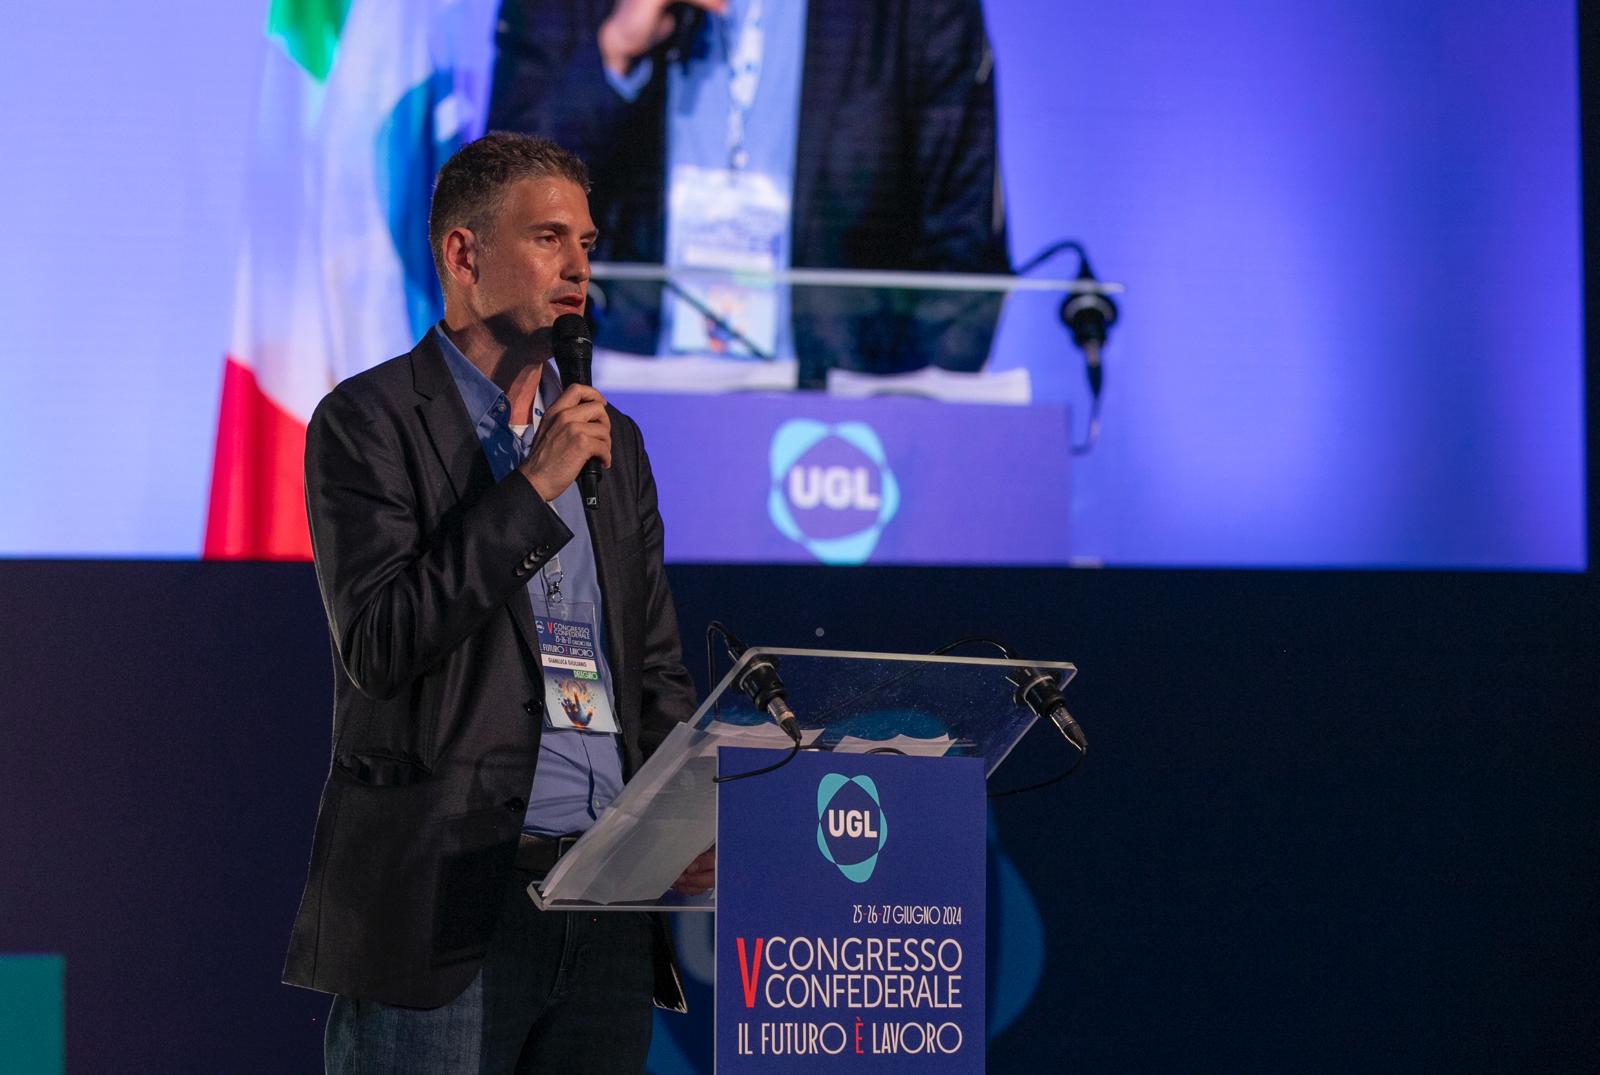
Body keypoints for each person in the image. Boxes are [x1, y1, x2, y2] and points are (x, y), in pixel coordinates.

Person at [283, 132, 711, 1073]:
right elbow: (383, 641)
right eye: (549, 238)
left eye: (587, 244)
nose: (579, 268)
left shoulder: (613, 439)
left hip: (605, 908)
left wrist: (683, 819)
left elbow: (650, 665)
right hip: (446, 908)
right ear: (463, 255)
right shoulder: (368, 423)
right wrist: (532, 487)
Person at [487, 0, 1010, 388]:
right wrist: (614, 56)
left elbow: (963, 241)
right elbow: (504, 213)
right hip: (621, 401)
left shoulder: (917, 12)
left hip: (838, 422)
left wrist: (904, 416)